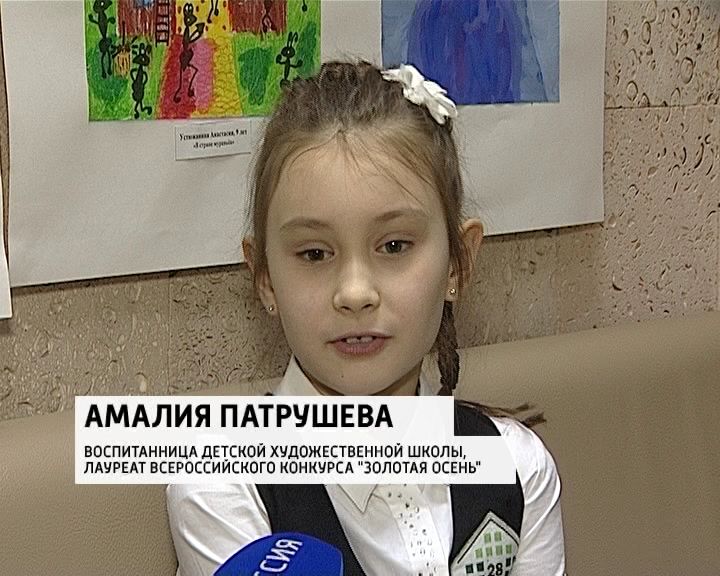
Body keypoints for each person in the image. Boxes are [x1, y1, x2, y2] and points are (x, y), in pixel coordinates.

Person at [167, 60, 565, 576]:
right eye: (314, 254)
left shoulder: (517, 467)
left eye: (394, 246)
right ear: (264, 277)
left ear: (457, 263)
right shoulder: (223, 485)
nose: (354, 293)